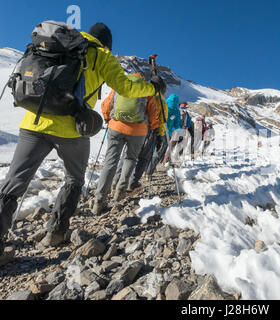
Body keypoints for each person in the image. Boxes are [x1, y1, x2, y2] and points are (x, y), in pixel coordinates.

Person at [0, 22, 166, 256]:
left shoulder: (56, 43)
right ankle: (56, 232)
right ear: (107, 44)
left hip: (33, 122)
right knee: (74, 179)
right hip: (72, 129)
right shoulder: (101, 55)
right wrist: (152, 88)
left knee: (14, 182)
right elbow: (126, 88)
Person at [111, 86, 168, 191]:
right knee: (143, 158)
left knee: (127, 155)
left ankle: (116, 179)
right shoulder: (161, 102)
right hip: (149, 131)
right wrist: (160, 135)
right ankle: (132, 183)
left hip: (136, 128)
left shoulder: (143, 93)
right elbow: (161, 121)